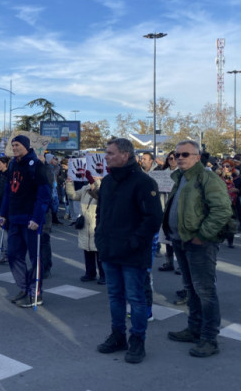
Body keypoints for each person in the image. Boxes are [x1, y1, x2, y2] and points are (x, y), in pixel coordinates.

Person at [95, 138, 162, 364]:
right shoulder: (107, 182)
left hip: (133, 253)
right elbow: (100, 213)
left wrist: (134, 242)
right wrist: (99, 237)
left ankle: (137, 340)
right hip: (109, 250)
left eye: (110, 153)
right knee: (115, 296)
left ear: (125, 155)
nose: (106, 156)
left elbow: (153, 219)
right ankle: (117, 336)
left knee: (136, 298)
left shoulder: (144, 183)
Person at [164, 140, 231, 358]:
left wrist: (202, 235)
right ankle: (194, 329)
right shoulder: (181, 177)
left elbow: (222, 210)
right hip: (180, 241)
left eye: (185, 154)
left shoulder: (207, 178)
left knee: (205, 291)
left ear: (197, 156)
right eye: (177, 154)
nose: (179, 157)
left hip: (199, 243)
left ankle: (209, 338)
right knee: (190, 288)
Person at [0, 136, 51, 307]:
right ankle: (24, 287)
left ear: (26, 146)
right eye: (12, 145)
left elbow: (44, 195)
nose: (14, 148)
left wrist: (37, 218)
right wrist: (3, 213)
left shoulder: (37, 166)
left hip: (30, 220)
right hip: (14, 218)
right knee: (13, 255)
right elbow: (8, 192)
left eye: (17, 145)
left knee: (35, 258)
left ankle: (35, 292)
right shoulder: (12, 164)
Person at [66, 172, 105, 284]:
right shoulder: (85, 188)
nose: (92, 177)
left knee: (99, 252)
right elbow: (73, 195)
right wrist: (69, 183)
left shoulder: (103, 188)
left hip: (95, 223)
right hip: (85, 224)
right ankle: (90, 273)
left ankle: (103, 275)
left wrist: (95, 182)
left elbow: (98, 195)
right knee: (87, 250)